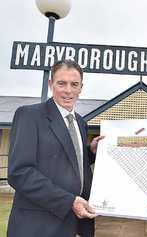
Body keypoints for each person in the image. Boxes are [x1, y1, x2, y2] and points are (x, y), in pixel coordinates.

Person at [7, 59, 104, 237]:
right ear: (51, 84)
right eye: (62, 83)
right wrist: (69, 201)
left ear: (81, 88)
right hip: (38, 226)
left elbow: (67, 159)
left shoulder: (81, 123)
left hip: (75, 225)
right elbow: (20, 172)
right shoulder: (29, 116)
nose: (68, 90)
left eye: (74, 84)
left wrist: (90, 151)